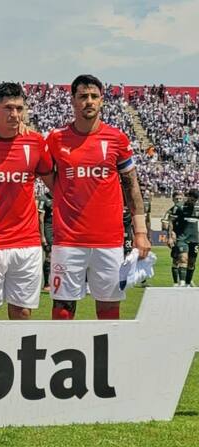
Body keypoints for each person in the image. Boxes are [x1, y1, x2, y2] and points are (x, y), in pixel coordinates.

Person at [45, 74, 151, 320]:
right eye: (83, 96)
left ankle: (107, 348)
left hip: (109, 241)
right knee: (63, 311)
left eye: (94, 96)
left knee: (109, 310)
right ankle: (63, 347)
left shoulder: (117, 138)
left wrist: (141, 231)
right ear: (73, 100)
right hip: (68, 240)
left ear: (102, 100)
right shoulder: (56, 138)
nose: (89, 101)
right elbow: (46, 175)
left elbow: (131, 186)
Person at [0, 82, 53, 319]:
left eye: (19, 108)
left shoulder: (35, 142)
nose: (14, 114)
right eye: (8, 108)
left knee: (22, 312)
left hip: (26, 242)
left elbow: (56, 186)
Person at [170, 189, 199, 287]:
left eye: (195, 200)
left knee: (192, 262)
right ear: (188, 196)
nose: (193, 201)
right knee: (183, 259)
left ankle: (187, 283)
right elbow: (171, 221)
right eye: (192, 199)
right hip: (182, 238)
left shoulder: (198, 207)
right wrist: (171, 235)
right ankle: (181, 283)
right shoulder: (179, 207)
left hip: (195, 239)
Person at [164, 191, 186, 286]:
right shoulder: (171, 211)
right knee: (176, 259)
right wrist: (170, 236)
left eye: (180, 198)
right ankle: (176, 282)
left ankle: (184, 281)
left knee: (185, 259)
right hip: (176, 238)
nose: (178, 200)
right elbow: (166, 224)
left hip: (186, 238)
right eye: (176, 199)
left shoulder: (187, 210)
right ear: (173, 199)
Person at [38, 190, 54, 292]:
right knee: (49, 255)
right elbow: (40, 219)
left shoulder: (60, 196)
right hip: (49, 229)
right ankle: (46, 283)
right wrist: (42, 236)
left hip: (59, 229)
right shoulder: (44, 198)